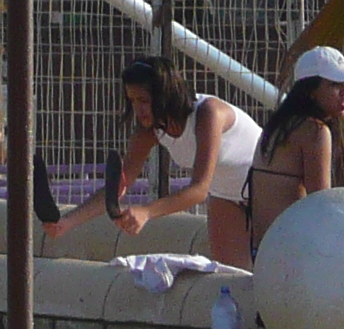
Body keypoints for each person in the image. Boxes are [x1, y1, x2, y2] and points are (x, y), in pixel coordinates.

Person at [92, 58, 260, 247]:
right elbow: (120, 185)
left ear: (165, 96)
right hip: (225, 197)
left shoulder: (208, 113)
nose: (137, 109)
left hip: (267, 189)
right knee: (233, 275)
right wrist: (64, 223)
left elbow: (199, 190)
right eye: (132, 100)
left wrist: (147, 212)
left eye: (144, 100)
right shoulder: (147, 132)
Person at [227, 46, 344, 263]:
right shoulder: (315, 131)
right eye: (335, 84)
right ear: (310, 90)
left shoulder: (278, 127)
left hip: (263, 252)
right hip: (294, 255)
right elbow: (321, 201)